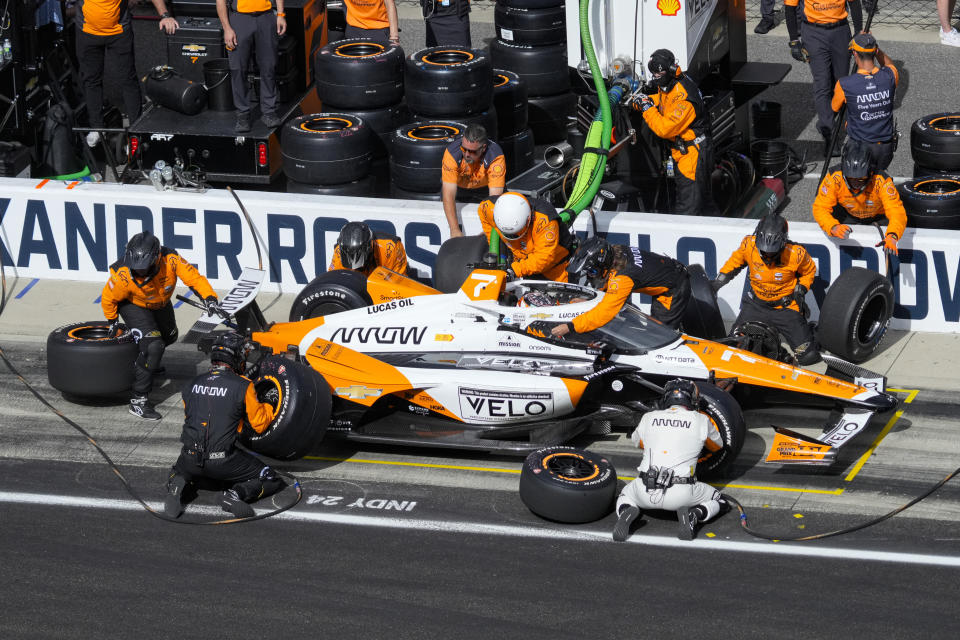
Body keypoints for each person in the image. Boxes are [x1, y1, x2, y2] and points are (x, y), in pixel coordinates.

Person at [101, 230, 225, 420]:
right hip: (134, 305)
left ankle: (147, 362)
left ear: (157, 259)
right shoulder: (122, 276)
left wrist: (209, 298)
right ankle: (138, 400)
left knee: (170, 336)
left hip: (160, 303)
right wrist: (112, 321)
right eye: (136, 268)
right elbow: (108, 299)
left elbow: (194, 278)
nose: (139, 272)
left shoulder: (171, 260)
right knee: (154, 346)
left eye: (144, 268)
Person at [163, 332, 285, 519]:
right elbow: (259, 424)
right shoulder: (243, 385)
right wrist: (269, 402)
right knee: (271, 477)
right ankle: (234, 495)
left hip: (188, 458)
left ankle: (178, 482)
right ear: (234, 358)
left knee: (185, 470)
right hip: (223, 461)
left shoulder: (191, 384)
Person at [612, 379, 725, 542]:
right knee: (719, 499)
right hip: (682, 492)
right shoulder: (701, 420)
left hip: (645, 489)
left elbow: (639, 443)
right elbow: (717, 446)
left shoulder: (649, 417)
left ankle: (626, 512)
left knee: (624, 495)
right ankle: (695, 515)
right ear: (692, 399)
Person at [711, 213, 820, 365]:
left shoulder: (797, 253)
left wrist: (801, 288)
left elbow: (809, 271)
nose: (767, 255)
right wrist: (718, 283)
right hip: (756, 305)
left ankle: (811, 332)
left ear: (782, 243)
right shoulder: (748, 245)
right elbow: (733, 263)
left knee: (808, 357)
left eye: (772, 252)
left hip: (786, 307)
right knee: (733, 349)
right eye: (764, 251)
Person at [76, 0, 178, 147]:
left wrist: (165, 15)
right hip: (86, 31)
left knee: (127, 80)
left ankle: (136, 130)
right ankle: (96, 128)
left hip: (119, 32)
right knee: (91, 80)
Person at [550, 237, 690, 340]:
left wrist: (571, 326)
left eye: (592, 272)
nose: (590, 276)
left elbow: (605, 312)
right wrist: (591, 301)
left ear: (604, 265)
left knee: (658, 336)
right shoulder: (617, 252)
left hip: (673, 289)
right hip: (668, 271)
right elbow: (608, 288)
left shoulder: (623, 278)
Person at [632, 49, 713, 216]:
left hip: (692, 155)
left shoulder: (684, 98)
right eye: (653, 73)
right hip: (685, 151)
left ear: (669, 69)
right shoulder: (672, 82)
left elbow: (665, 128)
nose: (655, 76)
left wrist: (646, 108)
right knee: (702, 201)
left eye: (658, 73)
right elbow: (666, 102)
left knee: (688, 208)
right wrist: (644, 100)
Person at [784, 0, 863, 157]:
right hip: (813, 33)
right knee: (822, 83)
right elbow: (790, 8)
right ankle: (829, 133)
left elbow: (854, 3)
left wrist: (858, 31)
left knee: (841, 84)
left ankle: (827, 120)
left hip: (840, 30)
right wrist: (794, 40)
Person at [812, 139, 905, 255]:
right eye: (851, 179)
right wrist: (833, 226)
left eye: (861, 179)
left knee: (900, 226)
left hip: (878, 216)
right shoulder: (833, 178)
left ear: (870, 173)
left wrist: (892, 235)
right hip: (848, 214)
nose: (856, 183)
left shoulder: (882, 181)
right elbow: (820, 208)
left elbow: (897, 211)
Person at [216, 0, 287, 133]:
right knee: (238, 68)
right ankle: (243, 115)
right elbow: (220, 2)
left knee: (269, 66)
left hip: (266, 17)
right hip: (239, 19)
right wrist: (227, 29)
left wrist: (281, 15)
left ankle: (269, 112)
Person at [830, 33, 899, 171]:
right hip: (886, 147)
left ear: (854, 53)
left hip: (859, 149)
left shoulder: (845, 84)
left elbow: (834, 108)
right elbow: (889, 64)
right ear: (875, 51)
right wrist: (877, 50)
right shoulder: (890, 76)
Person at [477, 192, 574, 282]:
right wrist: (494, 245)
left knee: (562, 299)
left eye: (516, 233)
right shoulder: (488, 207)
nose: (512, 236)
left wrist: (515, 270)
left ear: (529, 219)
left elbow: (544, 258)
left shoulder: (545, 221)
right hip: (517, 262)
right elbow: (483, 215)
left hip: (553, 267)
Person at [442, 124, 506, 237]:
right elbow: (448, 194)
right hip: (460, 190)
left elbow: (494, 199)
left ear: (484, 148)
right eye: (464, 149)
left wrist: (489, 229)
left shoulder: (495, 157)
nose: (467, 154)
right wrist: (454, 230)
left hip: (486, 190)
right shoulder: (451, 153)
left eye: (472, 151)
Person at [328, 221, 409, 275]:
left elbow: (398, 283)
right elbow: (333, 280)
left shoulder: (391, 247)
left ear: (369, 247)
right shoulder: (339, 251)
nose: (355, 269)